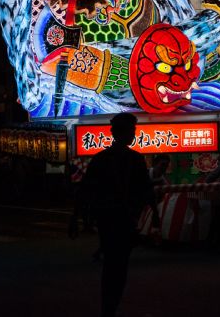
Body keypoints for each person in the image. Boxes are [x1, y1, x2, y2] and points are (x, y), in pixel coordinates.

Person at [68, 113, 161, 317]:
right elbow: (146, 190)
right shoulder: (135, 159)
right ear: (125, 132)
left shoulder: (101, 159)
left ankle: (108, 307)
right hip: (124, 219)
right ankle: (110, 306)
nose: (134, 134)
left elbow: (84, 190)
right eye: (132, 130)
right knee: (119, 265)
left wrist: (75, 218)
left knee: (112, 263)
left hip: (106, 218)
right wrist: (155, 214)